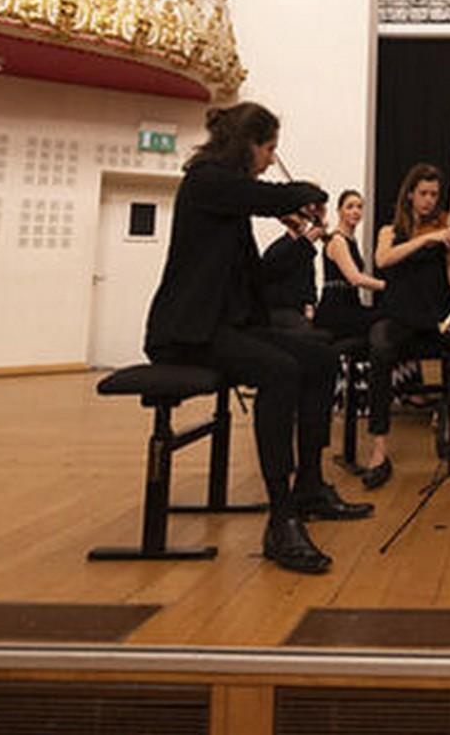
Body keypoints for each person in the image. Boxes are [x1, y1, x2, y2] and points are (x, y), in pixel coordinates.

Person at [143, 102, 373, 575]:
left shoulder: (229, 201)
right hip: (187, 332)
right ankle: (281, 517)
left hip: (227, 326)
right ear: (247, 145)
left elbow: (261, 273)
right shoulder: (206, 180)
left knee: (321, 357)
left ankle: (309, 486)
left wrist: (299, 237)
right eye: (268, 148)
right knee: (281, 370)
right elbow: (268, 195)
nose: (270, 157)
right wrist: (308, 193)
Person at [358, 163, 450, 490]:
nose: (429, 200)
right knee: (379, 350)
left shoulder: (446, 233)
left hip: (437, 320)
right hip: (399, 319)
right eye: (423, 193)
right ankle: (379, 450)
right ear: (410, 195)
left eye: (434, 194)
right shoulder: (390, 230)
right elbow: (383, 260)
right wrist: (426, 239)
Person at [313, 190, 386, 342]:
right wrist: (387, 285)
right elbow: (355, 278)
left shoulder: (351, 240)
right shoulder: (338, 240)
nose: (356, 211)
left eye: (359, 207)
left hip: (351, 304)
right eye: (350, 207)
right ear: (339, 211)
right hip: (336, 310)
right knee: (383, 317)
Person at [261, 214, 324, 332]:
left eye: (305, 218)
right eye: (300, 217)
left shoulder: (304, 250)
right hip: (281, 311)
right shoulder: (279, 248)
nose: (304, 221)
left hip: (298, 311)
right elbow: (276, 271)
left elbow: (309, 283)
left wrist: (310, 304)